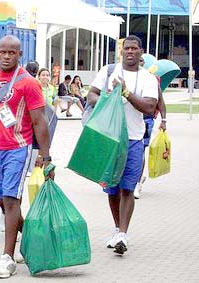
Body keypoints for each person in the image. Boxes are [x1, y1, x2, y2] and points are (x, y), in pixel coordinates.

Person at [0, 35, 54, 278]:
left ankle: (7, 257)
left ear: (20, 54)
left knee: (11, 198)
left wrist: (45, 158)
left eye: (12, 53)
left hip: (18, 147)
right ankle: (31, 239)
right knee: (2, 201)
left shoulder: (28, 83)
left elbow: (39, 121)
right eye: (3, 52)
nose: (7, 56)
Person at [87, 35, 158, 255]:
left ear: (140, 52)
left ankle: (123, 235)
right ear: (122, 51)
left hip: (134, 139)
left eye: (134, 49)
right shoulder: (109, 71)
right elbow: (91, 95)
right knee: (112, 189)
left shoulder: (147, 78)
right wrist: (109, 101)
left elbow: (149, 106)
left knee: (128, 188)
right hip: (109, 138)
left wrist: (126, 92)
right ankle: (117, 228)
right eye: (126, 48)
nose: (130, 52)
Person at [134, 55, 167, 199]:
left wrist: (164, 120)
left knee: (140, 151)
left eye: (141, 61)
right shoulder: (126, 78)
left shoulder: (150, 80)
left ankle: (137, 183)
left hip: (146, 120)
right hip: (128, 121)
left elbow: (160, 100)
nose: (139, 63)